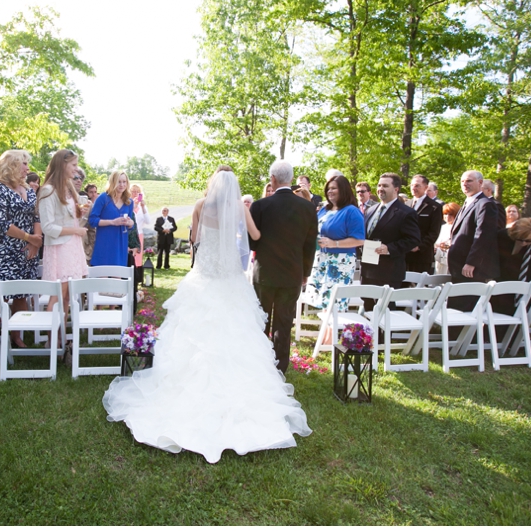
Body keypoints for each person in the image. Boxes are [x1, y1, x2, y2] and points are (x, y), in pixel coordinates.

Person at [103, 169, 311, 463]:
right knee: (238, 332)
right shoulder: (240, 207)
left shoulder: (200, 205)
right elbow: (255, 236)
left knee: (192, 331)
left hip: (204, 275)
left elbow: (194, 238)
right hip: (230, 279)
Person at [249, 160, 318, 373]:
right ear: (290, 179)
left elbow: (252, 242)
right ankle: (280, 367)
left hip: (265, 274)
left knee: (262, 320)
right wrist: (305, 273)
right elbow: (310, 244)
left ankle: (259, 364)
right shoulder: (308, 207)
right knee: (284, 322)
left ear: (273, 179)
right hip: (292, 274)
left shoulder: (260, 205)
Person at [0, 149, 42, 350]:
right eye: (23, 164)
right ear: (11, 165)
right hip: (4, 250)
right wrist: (29, 238)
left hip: (27, 250)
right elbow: (0, 223)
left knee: (21, 295)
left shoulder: (28, 189)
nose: (27, 168)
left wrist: (35, 242)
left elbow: (36, 216)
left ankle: (17, 337)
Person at [38, 149, 89, 346]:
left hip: (73, 247)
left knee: (68, 296)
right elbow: (48, 227)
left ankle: (61, 338)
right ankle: (50, 341)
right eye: (73, 165)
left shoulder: (69, 188)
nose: (76, 169)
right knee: (58, 294)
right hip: (60, 248)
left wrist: (81, 213)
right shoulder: (48, 190)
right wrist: (75, 231)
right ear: (62, 165)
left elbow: (73, 218)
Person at [302, 175, 365, 311]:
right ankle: (325, 332)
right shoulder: (324, 210)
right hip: (321, 260)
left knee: (334, 305)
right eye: (328, 188)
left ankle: (332, 332)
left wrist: (334, 243)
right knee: (322, 303)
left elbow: (359, 240)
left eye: (334, 188)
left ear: (343, 189)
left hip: (340, 263)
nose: (330, 191)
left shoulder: (351, 211)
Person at [359, 173, 420, 297]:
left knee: (385, 311)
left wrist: (389, 249)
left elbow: (413, 239)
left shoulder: (406, 213)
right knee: (368, 308)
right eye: (379, 185)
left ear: (396, 189)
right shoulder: (370, 210)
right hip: (368, 268)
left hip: (389, 270)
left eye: (385, 186)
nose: (380, 188)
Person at [447, 170, 500, 283]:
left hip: (471, 269)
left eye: (469, 181)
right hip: (458, 266)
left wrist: (472, 262)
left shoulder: (485, 204)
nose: (465, 184)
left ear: (480, 182)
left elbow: (483, 236)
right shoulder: (467, 202)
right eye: (462, 181)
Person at [494, 218, 531, 316]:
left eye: (528, 241)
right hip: (500, 285)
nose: (523, 243)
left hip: (524, 291)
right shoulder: (502, 237)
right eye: (520, 239)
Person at [88, 170, 134, 266]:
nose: (121, 185)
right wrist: (112, 222)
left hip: (120, 245)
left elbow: (131, 224)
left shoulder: (129, 201)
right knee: (102, 278)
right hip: (104, 243)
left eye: (124, 182)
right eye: (119, 181)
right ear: (113, 182)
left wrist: (131, 223)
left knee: (118, 278)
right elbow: (92, 220)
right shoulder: (103, 198)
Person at [406, 174, 443, 274]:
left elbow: (434, 232)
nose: (413, 188)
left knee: (420, 286)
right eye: (412, 185)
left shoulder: (434, 207)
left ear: (426, 187)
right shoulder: (406, 205)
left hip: (422, 256)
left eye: (417, 185)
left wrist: (419, 246)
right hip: (405, 255)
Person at [434, 202, 460, 275]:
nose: (447, 217)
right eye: (445, 214)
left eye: (451, 214)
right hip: (440, 259)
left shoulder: (458, 227)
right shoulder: (442, 227)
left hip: (451, 260)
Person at [82, 182, 99, 264]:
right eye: (91, 192)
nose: (93, 194)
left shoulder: (100, 205)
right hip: (86, 241)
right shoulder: (85, 206)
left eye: (95, 192)